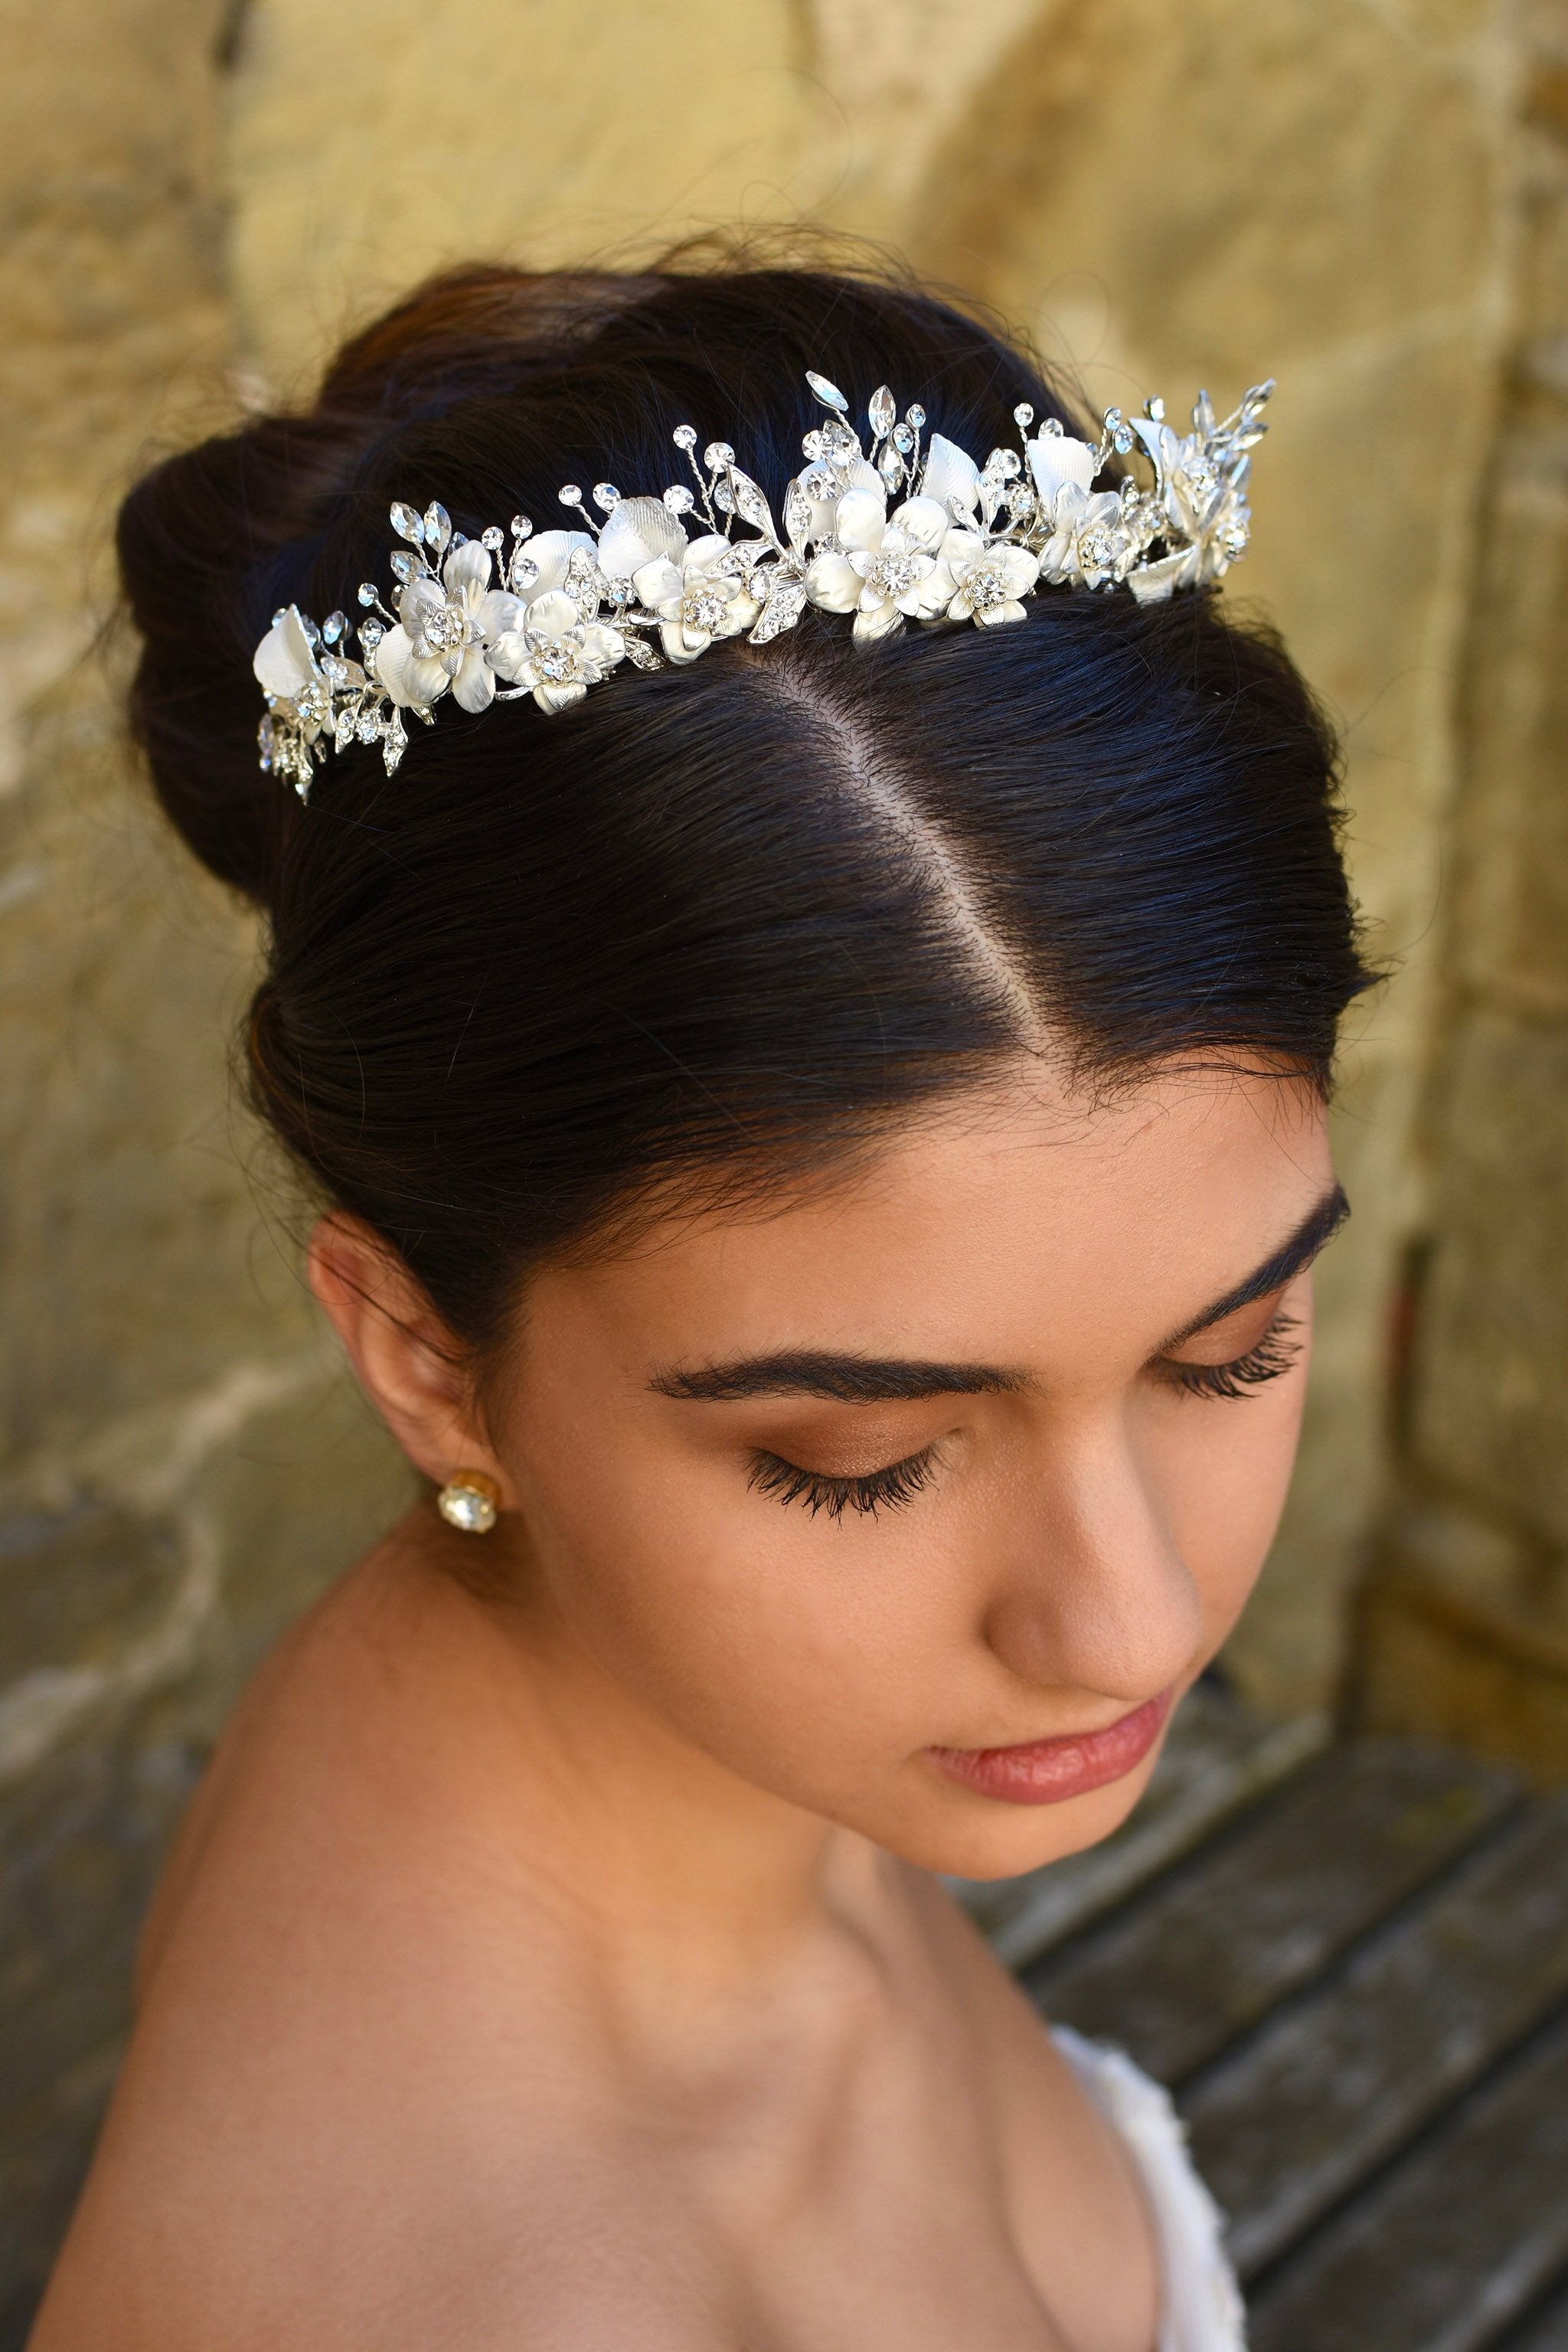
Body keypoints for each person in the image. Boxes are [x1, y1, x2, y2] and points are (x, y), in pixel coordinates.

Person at [31, 253, 1368, 2352]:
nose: (1130, 1622)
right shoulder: (467, 2298)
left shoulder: (679, 1754)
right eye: (860, 1462)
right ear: (424, 1360)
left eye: (1234, 1350)